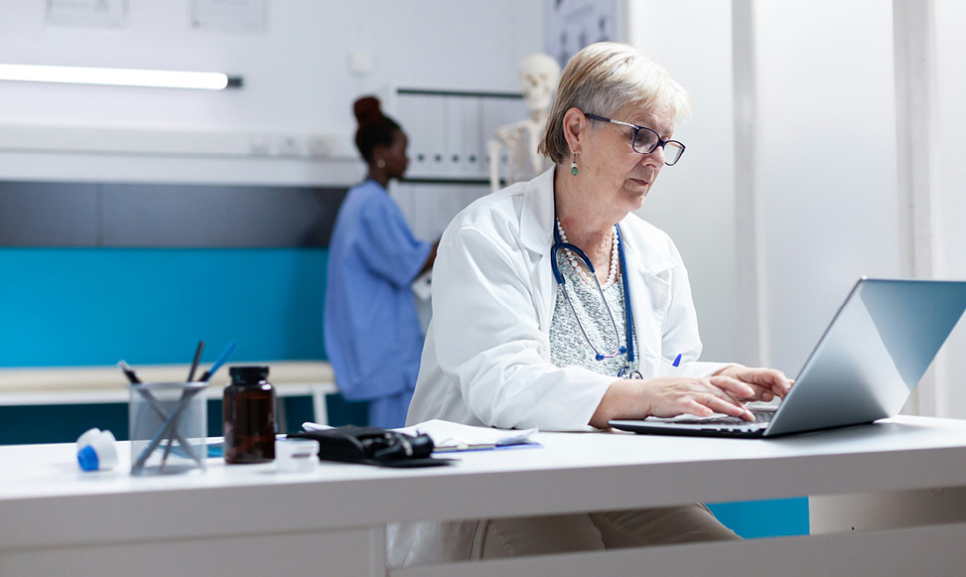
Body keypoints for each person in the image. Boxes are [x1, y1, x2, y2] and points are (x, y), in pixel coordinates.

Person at [388, 43, 792, 566]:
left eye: (665, 143)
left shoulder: (655, 252)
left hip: (615, 483)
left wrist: (718, 381)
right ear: (576, 130)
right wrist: (645, 395)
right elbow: (504, 386)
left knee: (731, 562)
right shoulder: (486, 234)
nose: (655, 159)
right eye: (640, 136)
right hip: (500, 486)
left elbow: (661, 372)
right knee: (578, 561)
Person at [324, 96, 438, 429]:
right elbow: (408, 264)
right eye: (402, 150)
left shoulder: (359, 200)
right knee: (395, 434)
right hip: (383, 346)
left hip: (374, 339)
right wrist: (455, 235)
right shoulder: (373, 205)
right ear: (381, 154)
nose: (408, 159)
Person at [487, 53, 561, 192]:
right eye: (528, 79)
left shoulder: (559, 129)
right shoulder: (514, 132)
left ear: (551, 84)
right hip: (519, 197)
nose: (535, 84)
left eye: (543, 78)